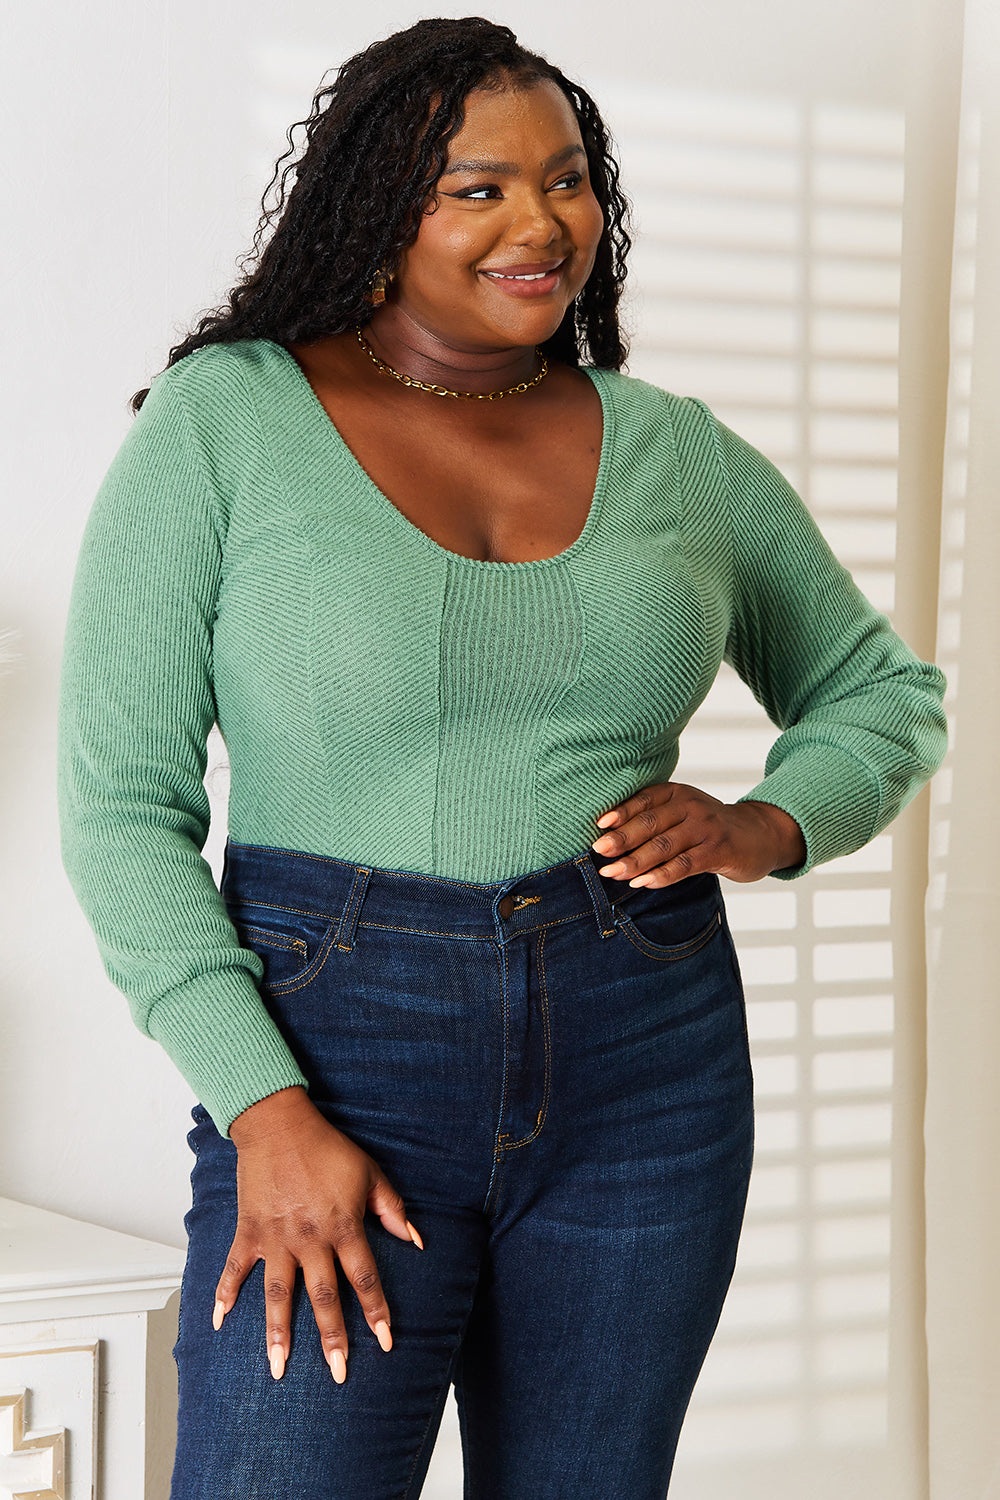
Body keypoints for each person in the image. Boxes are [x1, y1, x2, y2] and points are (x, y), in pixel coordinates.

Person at [56, 15, 948, 1499]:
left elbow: (881, 690)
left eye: (570, 179)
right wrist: (262, 1110)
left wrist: (768, 822)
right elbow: (118, 810)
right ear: (376, 210)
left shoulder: (676, 449)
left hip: (644, 1050)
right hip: (337, 1056)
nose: (542, 225)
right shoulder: (227, 426)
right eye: (477, 188)